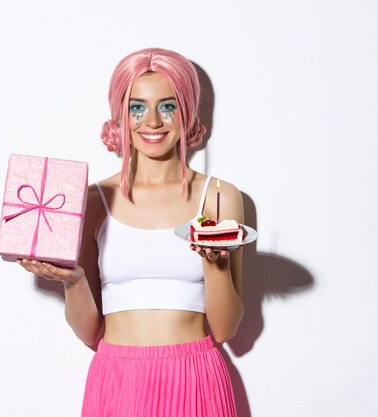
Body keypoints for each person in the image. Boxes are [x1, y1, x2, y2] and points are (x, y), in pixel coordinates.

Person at [18, 47, 244, 417]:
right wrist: (73, 281)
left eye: (168, 106)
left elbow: (224, 329)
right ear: (119, 116)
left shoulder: (219, 197)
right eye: (136, 107)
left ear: (187, 110)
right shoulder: (93, 199)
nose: (152, 121)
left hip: (196, 376)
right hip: (117, 379)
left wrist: (214, 263)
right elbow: (90, 334)